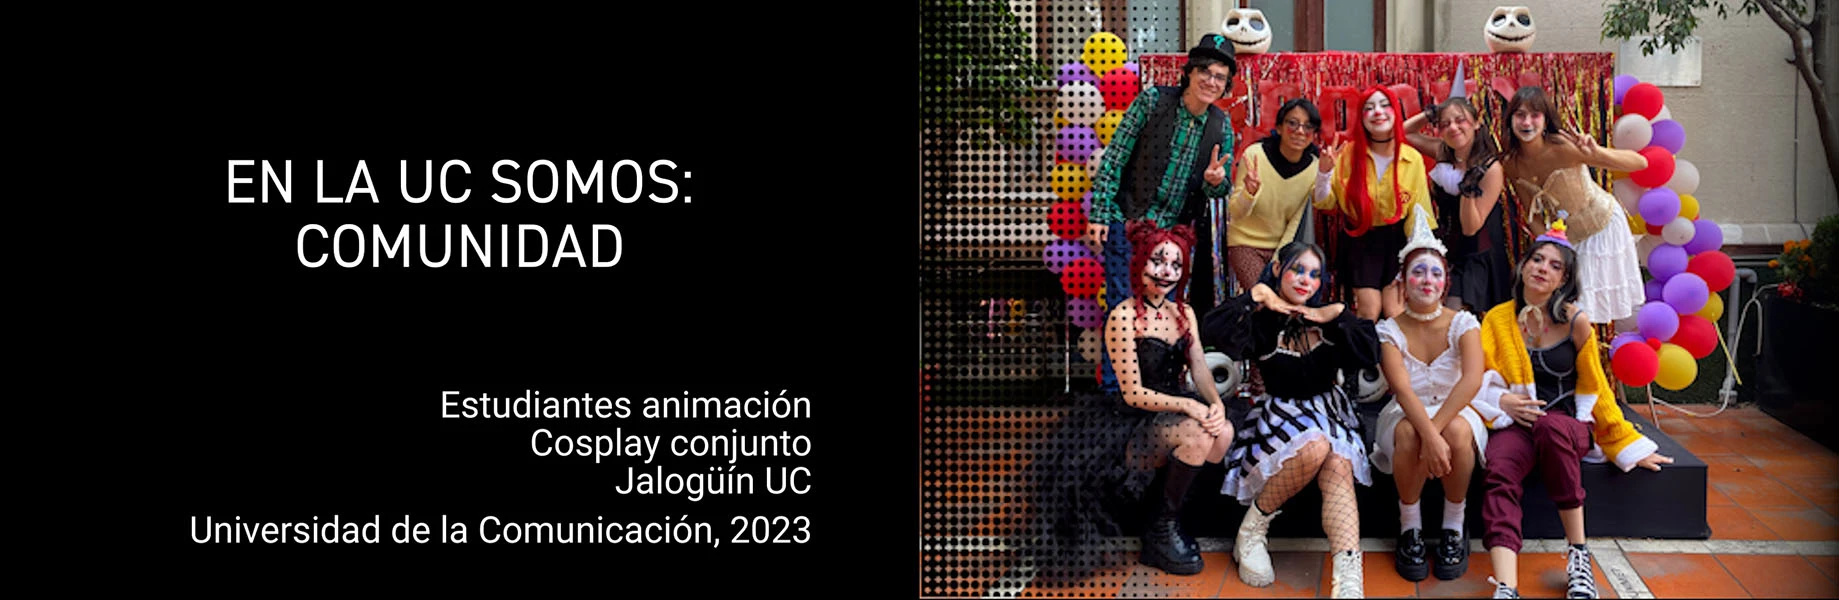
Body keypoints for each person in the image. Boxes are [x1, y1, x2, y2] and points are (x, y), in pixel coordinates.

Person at [1469, 221, 1675, 599]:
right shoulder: (1496, 319)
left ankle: (1579, 554)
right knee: (1499, 468)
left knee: (1550, 428)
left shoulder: (1577, 321)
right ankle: (1506, 586)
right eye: (1537, 259)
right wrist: (1500, 400)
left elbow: (1597, 387)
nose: (1542, 269)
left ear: (1564, 279)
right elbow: (1477, 377)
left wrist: (1626, 443)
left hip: (1565, 424)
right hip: (1516, 424)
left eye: (1555, 265)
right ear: (1523, 265)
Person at [1024, 222, 1234, 582]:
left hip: (1171, 411)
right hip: (1132, 420)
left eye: (1175, 265)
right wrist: (1189, 406)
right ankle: (1161, 529)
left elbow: (1199, 365)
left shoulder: (1183, 312)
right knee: (1197, 434)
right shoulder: (1122, 316)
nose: (1166, 271)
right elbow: (1132, 392)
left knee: (1223, 432)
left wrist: (1216, 403)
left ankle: (1167, 514)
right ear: (1140, 262)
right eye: (1158, 261)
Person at [1206, 241, 1379, 598]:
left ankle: (1348, 577)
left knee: (1338, 462)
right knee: (1315, 446)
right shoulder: (1262, 321)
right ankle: (1251, 531)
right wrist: (1254, 296)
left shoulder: (1328, 320)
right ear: (1277, 269)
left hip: (1329, 412)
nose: (1305, 280)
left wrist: (1338, 314)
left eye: (1314, 274)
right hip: (1280, 416)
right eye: (1297, 270)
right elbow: (1211, 331)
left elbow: (1369, 352)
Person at [1085, 34, 1237, 393]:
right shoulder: (1153, 101)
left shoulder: (1221, 126)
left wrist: (1215, 182)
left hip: (1172, 237)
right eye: (1205, 71)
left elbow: (1220, 189)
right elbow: (1115, 158)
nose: (1211, 81)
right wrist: (1100, 214)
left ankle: (1156, 391)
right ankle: (1117, 394)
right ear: (1190, 72)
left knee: (1164, 316)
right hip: (1129, 222)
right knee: (1122, 308)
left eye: (1219, 76)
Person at [1370, 205, 1487, 582]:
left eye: (1435, 273)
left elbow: (1471, 380)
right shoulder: (1389, 330)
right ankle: (1410, 527)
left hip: (1456, 409)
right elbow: (1401, 388)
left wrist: (1435, 434)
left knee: (1457, 432)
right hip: (1405, 410)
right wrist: (1427, 436)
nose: (1427, 280)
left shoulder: (1464, 323)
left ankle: (1454, 525)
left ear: (1445, 282)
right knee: (1407, 432)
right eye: (1418, 272)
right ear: (1403, 281)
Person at [1499, 85, 1648, 325]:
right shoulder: (1511, 162)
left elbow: (1639, 163)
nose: (1527, 122)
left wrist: (1595, 152)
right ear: (1510, 120)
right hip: (1567, 239)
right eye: (1520, 115)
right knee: (1565, 308)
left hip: (1600, 226)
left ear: (1545, 120)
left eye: (1534, 115)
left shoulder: (1564, 147)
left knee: (1581, 310)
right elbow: (1532, 213)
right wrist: (1549, 248)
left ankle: (1587, 348)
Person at [1314, 85, 1436, 322]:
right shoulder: (1347, 154)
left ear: (1396, 113)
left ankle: (1394, 349)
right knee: (1369, 311)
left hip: (1398, 241)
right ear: (1361, 118)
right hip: (1361, 240)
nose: (1377, 112)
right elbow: (1325, 203)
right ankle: (1365, 348)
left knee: (1395, 312)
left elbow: (1420, 213)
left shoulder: (1412, 158)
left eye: (1385, 105)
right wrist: (1324, 174)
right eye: (1369, 108)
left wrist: (1420, 256)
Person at [1403, 68, 1511, 316]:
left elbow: (1471, 228)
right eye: (1445, 124)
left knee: (1455, 317)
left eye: (1460, 120)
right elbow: (1406, 133)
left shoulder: (1491, 168)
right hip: (1446, 251)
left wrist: (1468, 189)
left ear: (1476, 123)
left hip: (1477, 256)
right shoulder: (1442, 151)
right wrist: (1431, 113)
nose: (1453, 128)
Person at [1226, 97, 1322, 292]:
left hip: (1285, 248)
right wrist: (1249, 193)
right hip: (1246, 243)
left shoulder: (1314, 168)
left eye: (1307, 126)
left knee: (1286, 299)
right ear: (1279, 127)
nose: (1300, 131)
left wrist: (1279, 260)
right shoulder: (1255, 155)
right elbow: (1235, 213)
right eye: (1292, 123)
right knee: (1263, 298)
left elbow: (1296, 222)